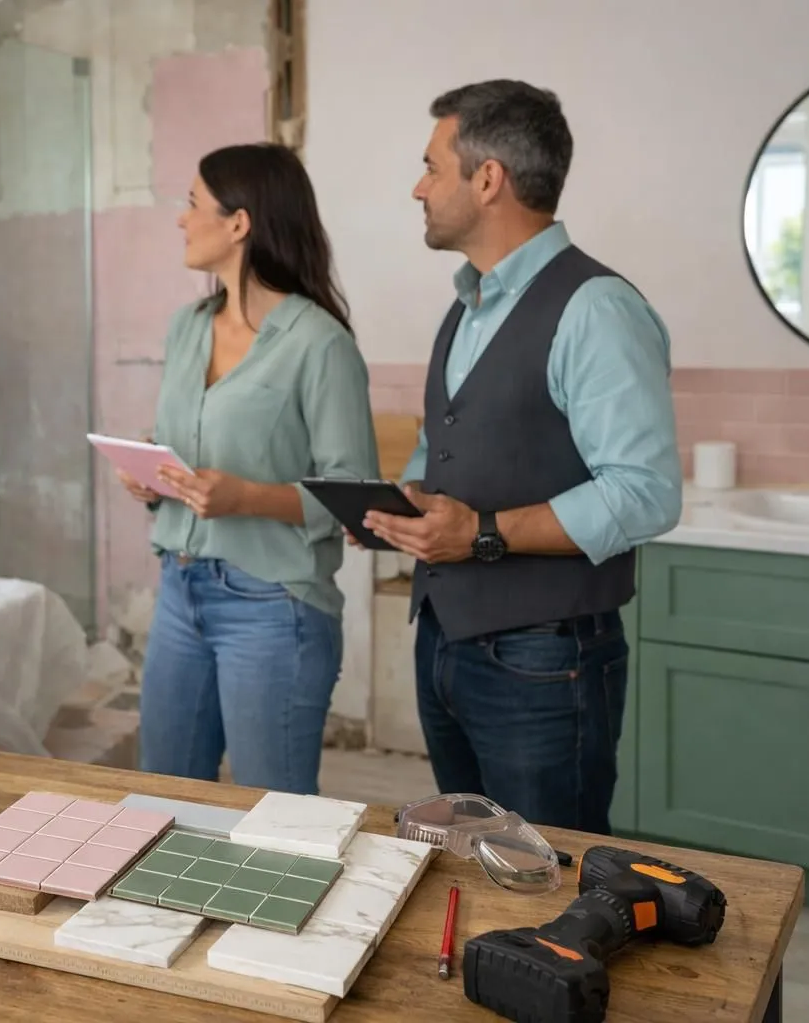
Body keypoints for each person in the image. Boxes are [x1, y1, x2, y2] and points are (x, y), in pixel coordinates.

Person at [362, 80, 681, 835]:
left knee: (550, 874)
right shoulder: (467, 306)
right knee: (474, 859)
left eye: (431, 167)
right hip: (447, 641)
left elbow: (645, 492)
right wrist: (406, 509)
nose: (419, 188)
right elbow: (455, 448)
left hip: (545, 660)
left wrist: (479, 533)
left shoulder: (596, 308)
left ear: (488, 178)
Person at [117, 142, 379, 796]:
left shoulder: (320, 344)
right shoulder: (186, 327)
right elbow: (189, 445)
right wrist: (153, 475)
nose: (181, 219)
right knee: (165, 798)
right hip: (179, 590)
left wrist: (246, 498)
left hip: (273, 606)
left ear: (239, 223)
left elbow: (354, 494)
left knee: (275, 814)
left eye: (192, 204)